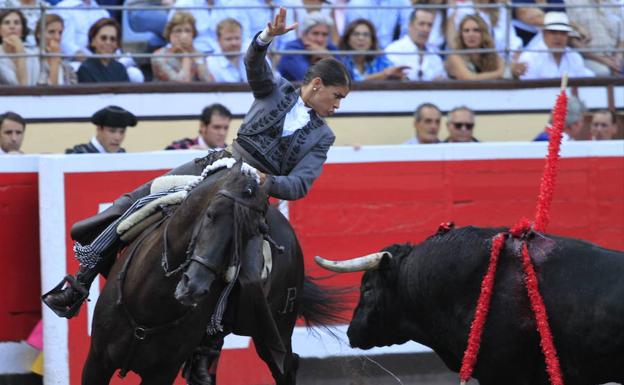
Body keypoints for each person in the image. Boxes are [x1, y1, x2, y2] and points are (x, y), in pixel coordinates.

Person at [42, 8, 350, 384]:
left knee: (248, 274)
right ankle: (80, 282)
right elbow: (253, 61)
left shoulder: (324, 136)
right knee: (140, 200)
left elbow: (301, 184)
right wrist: (267, 36)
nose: (337, 107)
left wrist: (267, 181)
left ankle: (206, 346)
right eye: (336, 97)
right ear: (316, 85)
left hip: (254, 194)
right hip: (217, 165)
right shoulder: (276, 89)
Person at [517, 12, 595, 80]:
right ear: (544, 33)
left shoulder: (574, 57)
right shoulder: (529, 58)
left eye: (563, 33)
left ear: (568, 35)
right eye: (553, 32)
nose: (558, 37)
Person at [385, 8, 446, 81]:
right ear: (410, 25)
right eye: (421, 24)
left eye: (429, 25)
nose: (425, 29)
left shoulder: (435, 57)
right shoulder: (394, 50)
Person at [565, 0, 624, 76]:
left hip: (615, 57)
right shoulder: (573, 3)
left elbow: (622, 38)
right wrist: (604, 60)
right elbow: (573, 41)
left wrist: (618, 58)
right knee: (604, 72)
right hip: (589, 58)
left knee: (618, 69)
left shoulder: (615, 5)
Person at [339, 18, 408, 81]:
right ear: (348, 39)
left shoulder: (379, 59)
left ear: (372, 40)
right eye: (356, 34)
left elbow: (393, 71)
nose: (361, 38)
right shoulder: (340, 61)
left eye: (366, 35)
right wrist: (384, 74)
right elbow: (354, 82)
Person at [151, 12, 212, 82]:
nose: (184, 36)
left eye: (188, 31)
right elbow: (182, 85)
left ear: (193, 34)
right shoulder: (159, 57)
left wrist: (195, 55)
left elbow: (208, 82)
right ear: (169, 34)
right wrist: (186, 57)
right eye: (178, 31)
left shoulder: (198, 55)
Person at [277, 12, 338, 81]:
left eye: (324, 34)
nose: (320, 39)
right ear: (303, 34)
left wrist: (327, 56)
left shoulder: (330, 47)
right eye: (315, 33)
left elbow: (348, 77)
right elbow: (309, 80)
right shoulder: (292, 49)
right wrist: (329, 59)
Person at [446, 14, 505, 80]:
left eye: (476, 30)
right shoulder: (454, 57)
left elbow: (506, 69)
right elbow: (470, 79)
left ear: (483, 34)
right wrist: (500, 73)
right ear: (461, 35)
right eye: (466, 31)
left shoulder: (491, 54)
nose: (471, 35)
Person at [77, 18, 130, 82]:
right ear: (93, 41)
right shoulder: (85, 69)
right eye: (103, 38)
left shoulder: (120, 68)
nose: (108, 42)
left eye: (112, 39)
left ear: (117, 44)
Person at [65, 106, 137, 153]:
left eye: (122, 132)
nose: (118, 137)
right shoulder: (78, 155)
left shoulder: (122, 156)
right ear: (99, 129)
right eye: (112, 131)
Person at [344, 0, 411, 49]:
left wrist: (396, 50)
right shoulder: (357, 3)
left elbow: (408, 29)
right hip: (365, 53)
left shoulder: (402, 1)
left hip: (393, 52)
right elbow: (359, 38)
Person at [34, 14, 78, 85]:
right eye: (51, 32)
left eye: (60, 33)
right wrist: (55, 58)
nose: (57, 37)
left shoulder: (67, 68)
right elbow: (48, 92)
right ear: (39, 34)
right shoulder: (30, 59)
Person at [165, 103, 232, 150]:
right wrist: (185, 157)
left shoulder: (231, 154)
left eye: (226, 128)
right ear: (202, 126)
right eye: (217, 127)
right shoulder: (183, 148)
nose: (222, 133)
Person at [0, 9, 39, 85]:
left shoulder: (33, 55)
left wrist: (20, 50)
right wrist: (20, 51)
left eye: (17, 23)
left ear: (22, 30)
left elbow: (29, 86)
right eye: (7, 23)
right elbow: (21, 85)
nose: (12, 27)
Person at [206, 18, 246, 83]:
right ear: (218, 40)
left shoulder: (253, 56)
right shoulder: (210, 64)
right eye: (228, 39)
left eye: (237, 38)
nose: (234, 43)